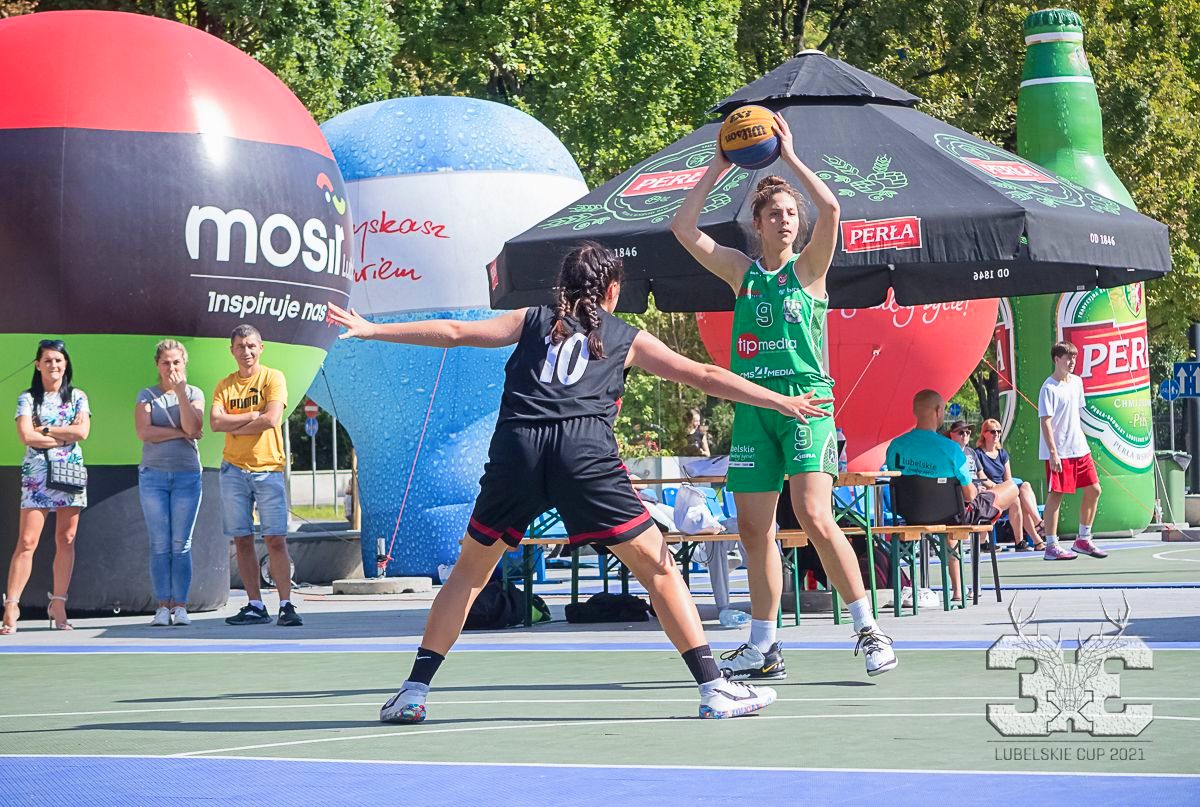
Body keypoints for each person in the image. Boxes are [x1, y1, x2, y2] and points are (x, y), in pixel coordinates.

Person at [326, 242, 833, 722]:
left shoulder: (531, 319)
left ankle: (414, 691)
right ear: (612, 291)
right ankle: (713, 687)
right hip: (583, 453)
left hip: (518, 451)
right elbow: (703, 374)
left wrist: (371, 330)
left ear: (561, 288)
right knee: (659, 570)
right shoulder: (625, 337)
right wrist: (780, 400)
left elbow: (456, 332)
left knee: (468, 575)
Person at [671, 113, 896, 679]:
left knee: (815, 514)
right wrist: (719, 165)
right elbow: (683, 228)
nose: (786, 221)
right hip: (755, 408)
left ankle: (868, 628)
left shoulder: (810, 271)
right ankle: (764, 645)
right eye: (776, 214)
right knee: (754, 530)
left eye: (792, 213)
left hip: (807, 405)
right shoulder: (741, 273)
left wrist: (790, 157)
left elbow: (833, 210)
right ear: (758, 223)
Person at [887, 391, 1019, 601]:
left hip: (911, 514)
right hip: (951, 515)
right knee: (1011, 488)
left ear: (914, 411)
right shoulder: (951, 449)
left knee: (952, 515)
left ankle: (959, 588)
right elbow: (969, 495)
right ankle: (959, 588)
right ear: (939, 411)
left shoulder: (896, 446)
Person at [211, 325, 302, 626]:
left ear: (261, 348)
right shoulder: (224, 385)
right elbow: (214, 422)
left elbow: (272, 418)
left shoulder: (273, 378)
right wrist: (252, 416)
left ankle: (286, 605)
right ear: (232, 350)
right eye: (240, 346)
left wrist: (235, 424)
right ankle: (255, 605)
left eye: (251, 345)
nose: (246, 351)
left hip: (268, 469)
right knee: (242, 539)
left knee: (275, 539)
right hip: (233, 470)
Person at [4, 339, 90, 634]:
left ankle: (59, 604)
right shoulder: (28, 398)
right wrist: (64, 437)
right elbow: (27, 436)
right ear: (38, 365)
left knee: (66, 539)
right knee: (27, 541)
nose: (54, 365)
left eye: (59, 360)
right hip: (37, 473)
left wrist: (48, 430)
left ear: (66, 365)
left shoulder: (78, 396)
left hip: (70, 471)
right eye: (48, 360)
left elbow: (83, 431)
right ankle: (11, 605)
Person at [135, 339, 205, 627]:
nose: (171, 367)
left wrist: (180, 394)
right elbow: (144, 432)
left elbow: (194, 427)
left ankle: (181, 606)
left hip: (187, 475)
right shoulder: (146, 395)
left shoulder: (194, 393)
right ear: (157, 365)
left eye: (176, 362)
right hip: (153, 476)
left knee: (181, 544)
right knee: (160, 544)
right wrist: (179, 433)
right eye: (166, 362)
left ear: (184, 363)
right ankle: (163, 605)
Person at [1039, 341, 1106, 560]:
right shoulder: (1048, 388)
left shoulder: (1077, 382)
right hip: (1060, 452)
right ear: (1056, 359)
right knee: (1056, 495)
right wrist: (1053, 453)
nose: (1072, 362)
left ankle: (1083, 539)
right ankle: (1051, 545)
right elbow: (1045, 422)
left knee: (1094, 490)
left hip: (1079, 449)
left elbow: (1075, 415)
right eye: (1067, 358)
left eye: (1074, 358)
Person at [974, 418, 1045, 552]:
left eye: (999, 431)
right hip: (991, 493)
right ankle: (1036, 535)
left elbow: (1008, 478)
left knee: (1023, 490)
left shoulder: (1002, 454)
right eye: (993, 431)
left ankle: (1033, 530)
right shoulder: (978, 454)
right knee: (1017, 498)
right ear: (984, 433)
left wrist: (1006, 489)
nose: (996, 434)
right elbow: (982, 478)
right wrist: (997, 487)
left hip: (1004, 491)